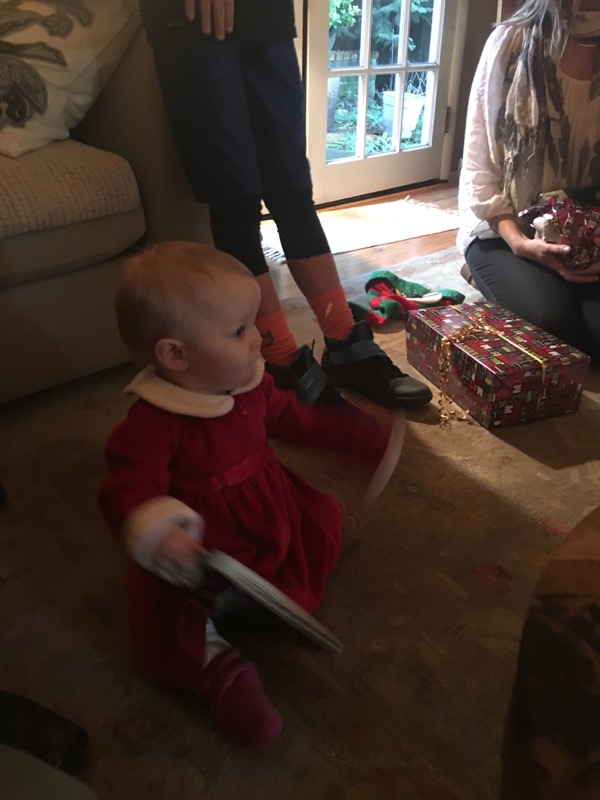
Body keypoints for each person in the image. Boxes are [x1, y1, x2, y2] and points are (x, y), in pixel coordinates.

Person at [98, 241, 396, 748]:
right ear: (175, 355)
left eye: (252, 323)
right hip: (204, 545)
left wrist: (357, 437)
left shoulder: (250, 385)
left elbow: (293, 420)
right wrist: (162, 535)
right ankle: (219, 672)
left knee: (316, 530)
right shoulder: (152, 423)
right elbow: (124, 491)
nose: (259, 339)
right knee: (174, 619)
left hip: (265, 510)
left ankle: (258, 603)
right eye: (239, 331)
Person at [136, 0, 432, 408]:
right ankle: (279, 361)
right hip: (191, 22)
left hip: (266, 14)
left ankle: (343, 342)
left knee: (292, 189)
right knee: (234, 199)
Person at [457, 0, 600, 359]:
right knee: (552, 324)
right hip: (506, 231)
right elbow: (479, 168)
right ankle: (479, 271)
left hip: (589, 230)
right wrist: (520, 243)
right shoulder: (512, 42)